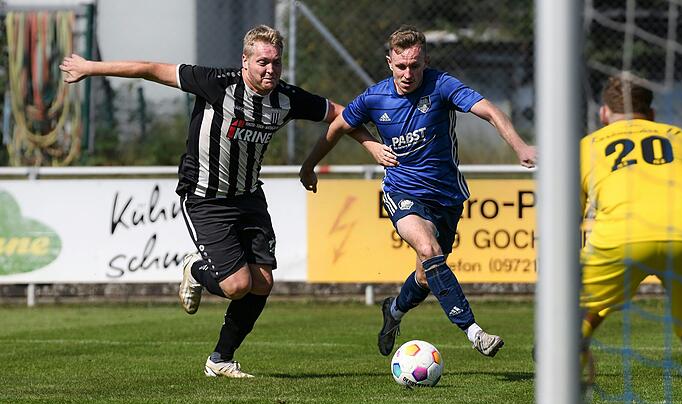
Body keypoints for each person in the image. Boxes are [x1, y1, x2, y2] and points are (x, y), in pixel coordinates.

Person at [60, 25, 376, 378]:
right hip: (205, 199)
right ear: (245, 61)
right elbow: (150, 69)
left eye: (275, 62)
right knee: (237, 286)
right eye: (262, 62)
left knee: (263, 284)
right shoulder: (215, 83)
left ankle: (221, 359)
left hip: (249, 197)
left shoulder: (286, 99)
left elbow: (342, 113)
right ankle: (195, 270)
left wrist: (372, 145)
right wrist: (90, 67)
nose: (270, 69)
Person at [299, 25, 537, 358]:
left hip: (447, 195)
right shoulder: (375, 97)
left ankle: (394, 311)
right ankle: (474, 332)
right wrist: (312, 165)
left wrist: (520, 146)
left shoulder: (442, 85)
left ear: (425, 61)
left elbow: (490, 111)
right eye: (401, 66)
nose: (408, 73)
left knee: (427, 275)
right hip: (401, 190)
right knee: (427, 247)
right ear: (389, 62)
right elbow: (339, 125)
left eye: (415, 65)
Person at [579, 73, 682, 404]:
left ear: (603, 113)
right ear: (653, 113)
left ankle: (570, 385)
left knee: (576, 317)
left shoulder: (588, 146)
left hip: (624, 233)